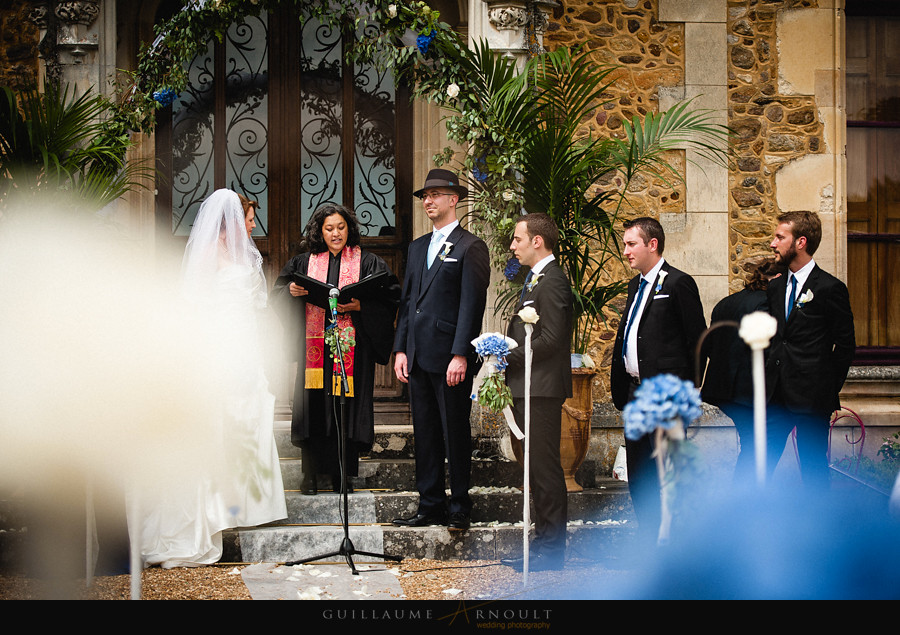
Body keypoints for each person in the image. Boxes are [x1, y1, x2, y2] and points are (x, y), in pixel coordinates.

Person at [142, 188, 287, 568]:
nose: (254, 224)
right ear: (229, 224)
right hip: (219, 350)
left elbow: (255, 307)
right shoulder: (207, 256)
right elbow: (193, 310)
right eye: (250, 218)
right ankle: (211, 513)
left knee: (248, 419)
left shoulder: (247, 258)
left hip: (245, 348)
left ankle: (241, 507)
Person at [272, 203, 400, 495]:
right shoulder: (302, 263)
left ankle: (345, 474)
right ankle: (311, 476)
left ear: (349, 229)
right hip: (314, 351)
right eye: (329, 228)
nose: (336, 233)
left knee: (346, 410)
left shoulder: (367, 263)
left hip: (351, 347)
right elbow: (278, 294)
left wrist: (360, 305)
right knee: (313, 408)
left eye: (341, 227)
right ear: (320, 231)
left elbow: (391, 298)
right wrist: (290, 293)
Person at [392, 169, 490, 530]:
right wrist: (401, 348)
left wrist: (461, 353)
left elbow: (471, 305)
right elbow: (408, 302)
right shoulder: (418, 247)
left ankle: (460, 505)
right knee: (426, 432)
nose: (428, 201)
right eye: (425, 196)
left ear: (454, 199)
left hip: (450, 357)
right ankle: (429, 503)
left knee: (455, 431)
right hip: (417, 356)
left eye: (435, 195)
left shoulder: (470, 247)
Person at [610, 216, 706, 545]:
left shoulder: (679, 283)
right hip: (635, 392)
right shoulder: (635, 285)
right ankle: (649, 540)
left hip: (666, 396)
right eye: (625, 244)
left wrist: (688, 390)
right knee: (639, 473)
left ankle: (678, 542)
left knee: (669, 471)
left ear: (652, 245)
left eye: (631, 244)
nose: (625, 251)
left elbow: (699, 341)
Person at [501, 213, 573, 571]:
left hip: (541, 390)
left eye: (517, 239)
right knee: (533, 468)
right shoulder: (535, 281)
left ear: (537, 241)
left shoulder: (554, 281)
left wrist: (505, 353)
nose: (513, 247)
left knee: (544, 469)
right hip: (529, 386)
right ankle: (540, 542)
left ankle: (551, 552)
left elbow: (551, 339)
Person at [765, 210, 855, 491]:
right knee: (758, 465)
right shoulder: (776, 287)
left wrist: (826, 389)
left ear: (801, 242)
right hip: (775, 396)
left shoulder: (830, 288)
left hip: (812, 400)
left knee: (814, 469)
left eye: (780, 237)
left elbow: (845, 345)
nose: (773, 243)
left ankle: (821, 529)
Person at [702, 256, 785, 485]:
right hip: (751, 392)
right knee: (764, 446)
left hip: (723, 390)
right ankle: (746, 501)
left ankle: (747, 499)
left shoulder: (725, 303)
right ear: (778, 278)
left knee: (753, 443)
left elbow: (712, 346)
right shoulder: (769, 304)